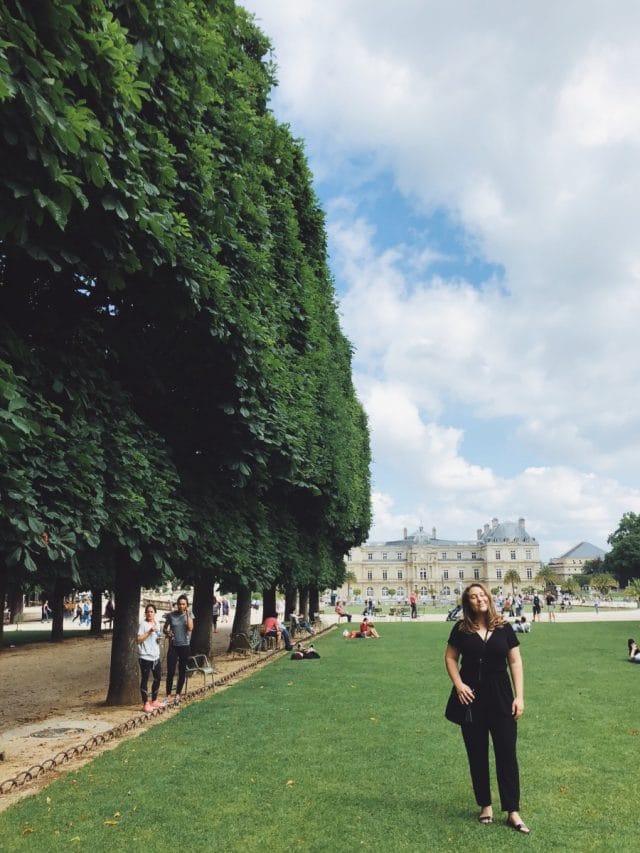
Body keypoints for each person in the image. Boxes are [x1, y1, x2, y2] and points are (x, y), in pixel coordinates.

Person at [444, 582, 529, 834]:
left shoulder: (503, 627)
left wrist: (519, 697)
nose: (479, 599)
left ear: (488, 598)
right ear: (467, 602)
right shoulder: (461, 629)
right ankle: (485, 805)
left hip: (501, 696)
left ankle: (513, 810)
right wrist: (458, 684)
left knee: (506, 753)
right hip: (470, 698)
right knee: (477, 753)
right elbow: (450, 657)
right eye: (473, 596)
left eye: (482, 595)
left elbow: (515, 661)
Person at [164, 594, 194, 702]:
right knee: (171, 671)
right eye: (179, 604)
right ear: (176, 604)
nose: (181, 606)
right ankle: (168, 695)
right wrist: (167, 632)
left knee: (182, 671)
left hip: (184, 646)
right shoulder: (171, 615)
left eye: (183, 604)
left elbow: (190, 628)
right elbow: (165, 628)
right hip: (173, 646)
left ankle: (178, 694)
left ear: (186, 605)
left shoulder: (189, 615)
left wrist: (187, 614)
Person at [137, 604, 163, 712]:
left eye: (152, 611)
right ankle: (145, 703)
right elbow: (138, 639)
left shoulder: (157, 624)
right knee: (145, 679)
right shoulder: (143, 625)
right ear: (145, 613)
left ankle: (154, 700)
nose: (149, 613)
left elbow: (156, 639)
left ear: (155, 613)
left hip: (155, 656)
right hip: (145, 656)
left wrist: (159, 639)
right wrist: (149, 632)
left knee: (158, 678)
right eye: (148, 611)